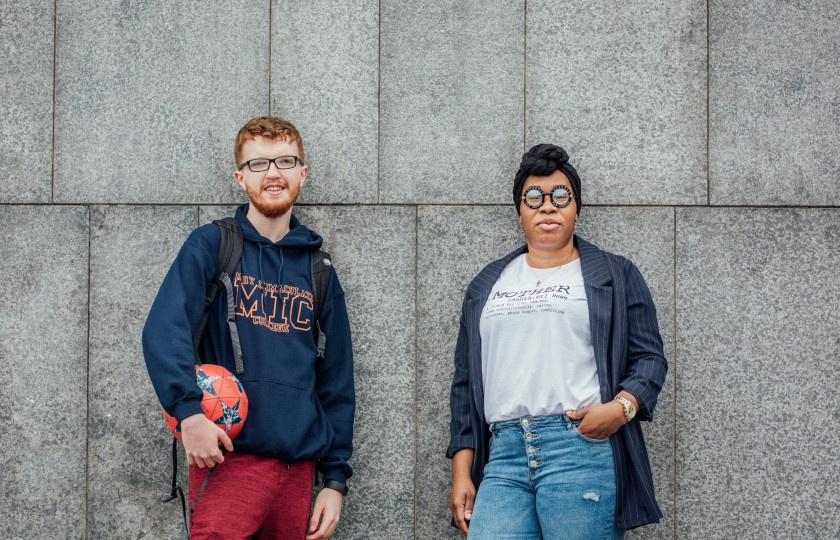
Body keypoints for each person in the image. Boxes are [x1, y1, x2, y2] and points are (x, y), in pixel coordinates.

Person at [143, 115, 355, 539]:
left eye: (285, 161)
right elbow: (163, 331)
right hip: (227, 463)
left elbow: (336, 381)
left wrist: (334, 480)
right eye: (259, 164)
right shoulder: (211, 245)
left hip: (297, 472)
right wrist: (188, 416)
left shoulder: (319, 269)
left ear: (302, 172)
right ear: (240, 177)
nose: (273, 173)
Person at [447, 144, 667, 538]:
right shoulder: (487, 285)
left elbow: (649, 358)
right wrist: (462, 472)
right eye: (533, 198)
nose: (547, 206)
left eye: (560, 196)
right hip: (504, 455)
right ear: (520, 211)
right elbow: (465, 386)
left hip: (579, 449)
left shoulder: (615, 274)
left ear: (576, 208)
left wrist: (621, 409)